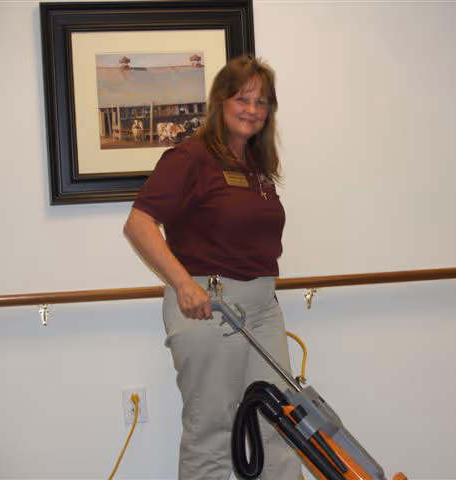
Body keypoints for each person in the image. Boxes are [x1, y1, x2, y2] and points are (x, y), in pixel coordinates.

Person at [124, 55, 302, 480]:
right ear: (220, 101)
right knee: (213, 430)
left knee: (278, 420)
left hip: (262, 307)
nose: (253, 110)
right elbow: (138, 223)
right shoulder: (190, 157)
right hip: (210, 307)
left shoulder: (256, 167)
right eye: (243, 99)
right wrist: (183, 284)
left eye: (262, 103)